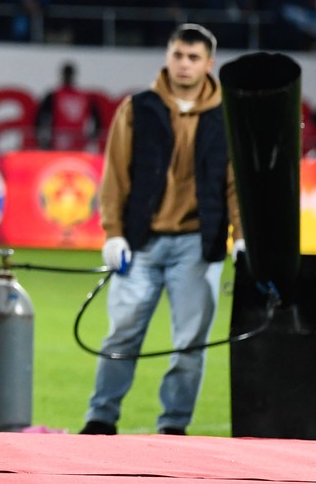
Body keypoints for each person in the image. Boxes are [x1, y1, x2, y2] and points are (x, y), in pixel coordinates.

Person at [80, 24, 244, 436]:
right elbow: (115, 174)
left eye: (193, 57)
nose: (184, 63)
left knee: (191, 344)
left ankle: (174, 426)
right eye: (178, 54)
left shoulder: (228, 115)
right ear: (167, 56)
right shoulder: (138, 108)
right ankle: (101, 419)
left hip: (198, 244)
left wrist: (241, 238)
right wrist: (112, 232)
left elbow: (235, 184)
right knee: (122, 334)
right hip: (141, 241)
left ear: (210, 64)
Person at [34, 62, 102, 151]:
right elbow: (40, 118)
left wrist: (92, 137)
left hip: (72, 142)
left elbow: (40, 119)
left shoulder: (56, 95)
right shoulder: (55, 95)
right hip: (61, 141)